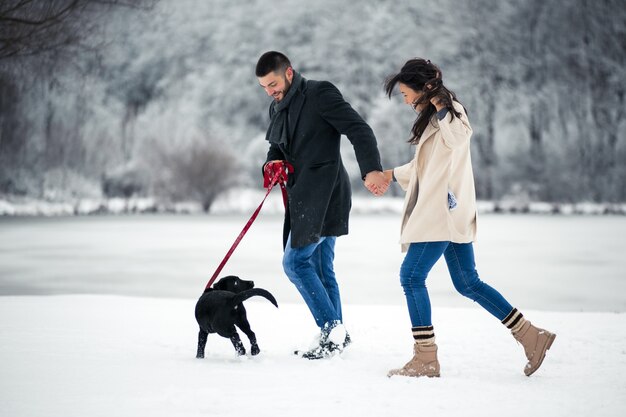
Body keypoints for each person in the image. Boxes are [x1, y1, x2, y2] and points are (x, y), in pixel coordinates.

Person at [374, 58, 556, 377]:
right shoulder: (434, 120)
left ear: (422, 89)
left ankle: (426, 358)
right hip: (449, 212)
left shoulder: (450, 112)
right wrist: (389, 174)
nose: (403, 100)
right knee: (468, 282)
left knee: (411, 277)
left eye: (405, 93)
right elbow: (427, 167)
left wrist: (440, 98)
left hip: (441, 213)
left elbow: (459, 137)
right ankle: (530, 335)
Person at [255, 51, 388, 359]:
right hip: (302, 195)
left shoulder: (319, 93)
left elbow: (359, 129)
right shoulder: (277, 107)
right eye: (264, 87)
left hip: (326, 194)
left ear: (289, 73)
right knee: (320, 267)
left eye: (273, 83)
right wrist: (272, 162)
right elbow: (277, 145)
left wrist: (371, 170)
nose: (269, 91)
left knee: (295, 263)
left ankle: (332, 330)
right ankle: (337, 337)